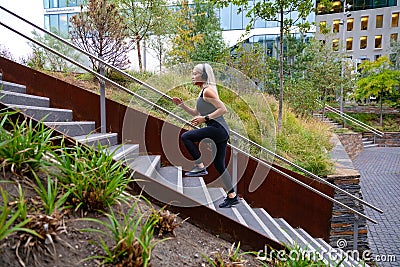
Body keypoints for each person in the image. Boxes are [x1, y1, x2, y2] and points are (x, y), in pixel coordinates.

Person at [172, 63, 239, 208]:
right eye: (192, 73)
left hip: (218, 128)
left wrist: (205, 118)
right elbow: (196, 113)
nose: (192, 76)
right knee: (219, 164)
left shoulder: (208, 91)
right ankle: (232, 196)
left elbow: (223, 109)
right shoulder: (202, 92)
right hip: (220, 130)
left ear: (204, 76)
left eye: (195, 73)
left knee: (186, 137)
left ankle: (200, 166)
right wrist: (182, 106)